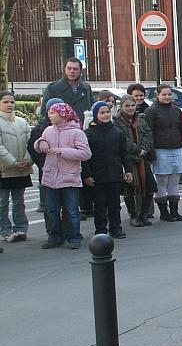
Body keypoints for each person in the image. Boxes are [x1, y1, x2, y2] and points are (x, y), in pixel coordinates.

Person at [33, 103, 92, 249]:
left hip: (69, 177)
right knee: (51, 210)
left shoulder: (77, 132)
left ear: (63, 115)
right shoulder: (48, 130)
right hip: (50, 177)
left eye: (53, 113)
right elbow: (37, 145)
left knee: (71, 210)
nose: (49, 115)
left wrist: (62, 151)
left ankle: (73, 237)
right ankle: (55, 236)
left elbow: (85, 154)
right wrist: (41, 142)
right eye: (49, 112)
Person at [83, 101, 133, 239]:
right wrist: (87, 175)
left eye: (107, 112)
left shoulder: (117, 132)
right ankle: (100, 229)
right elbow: (85, 157)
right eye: (102, 113)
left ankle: (116, 228)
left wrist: (128, 170)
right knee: (99, 204)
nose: (105, 115)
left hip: (114, 174)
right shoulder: (89, 134)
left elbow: (124, 153)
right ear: (95, 115)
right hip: (97, 175)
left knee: (114, 204)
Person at [145, 84, 182, 222]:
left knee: (175, 181)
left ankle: (175, 211)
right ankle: (164, 212)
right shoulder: (151, 111)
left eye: (169, 94)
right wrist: (151, 154)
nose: (167, 97)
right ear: (157, 95)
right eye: (164, 94)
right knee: (162, 181)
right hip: (160, 150)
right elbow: (149, 133)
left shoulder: (177, 111)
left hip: (176, 149)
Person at [115, 95, 155, 227]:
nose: (130, 108)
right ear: (121, 107)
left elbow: (148, 135)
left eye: (132, 105)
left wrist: (143, 149)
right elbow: (123, 140)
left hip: (142, 158)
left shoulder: (141, 119)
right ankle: (133, 215)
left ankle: (143, 214)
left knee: (149, 186)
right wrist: (137, 150)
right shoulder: (117, 121)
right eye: (127, 106)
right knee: (129, 188)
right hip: (128, 158)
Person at [28, 98, 65, 237]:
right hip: (47, 171)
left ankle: (68, 231)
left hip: (67, 171)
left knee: (68, 205)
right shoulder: (40, 128)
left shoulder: (71, 126)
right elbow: (32, 148)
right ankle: (53, 233)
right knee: (50, 206)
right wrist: (43, 164)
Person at [0, 91, 33, 243]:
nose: (9, 105)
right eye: (6, 102)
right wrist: (13, 163)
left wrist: (28, 160)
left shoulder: (22, 122)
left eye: (12, 102)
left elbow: (31, 143)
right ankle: (4, 230)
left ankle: (21, 228)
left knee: (19, 200)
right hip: (4, 170)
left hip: (22, 168)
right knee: (3, 201)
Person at [41, 58, 93, 124]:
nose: (72, 71)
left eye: (75, 69)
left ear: (80, 71)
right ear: (64, 69)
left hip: (83, 130)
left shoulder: (86, 88)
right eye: (69, 68)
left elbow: (91, 108)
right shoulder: (53, 88)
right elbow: (44, 114)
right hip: (61, 130)